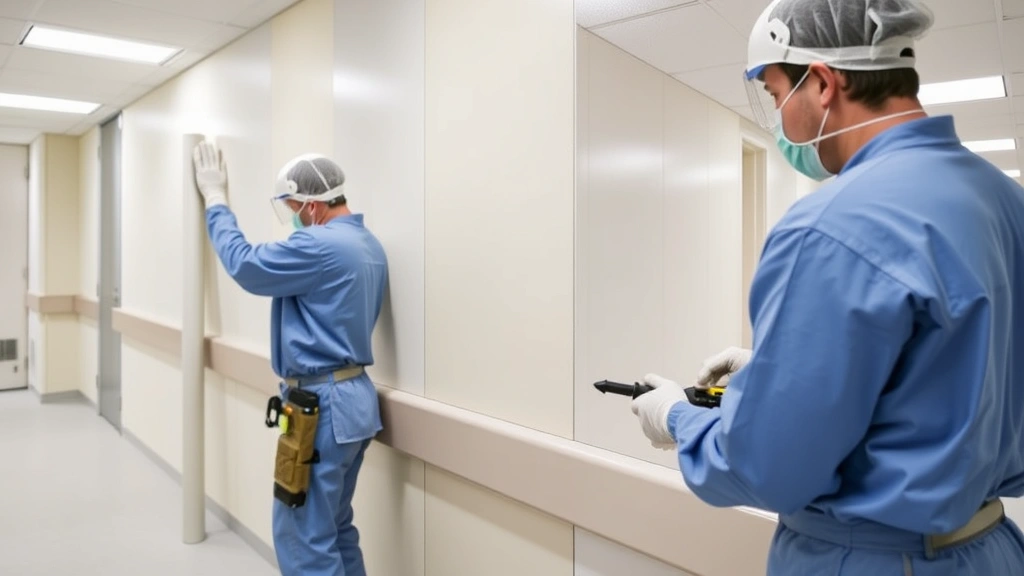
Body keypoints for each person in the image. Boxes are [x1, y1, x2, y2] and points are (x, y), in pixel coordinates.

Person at [629, 0, 1024, 574]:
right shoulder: (1005, 200)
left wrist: (675, 418)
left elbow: (766, 467)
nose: (779, 120)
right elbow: (952, 367)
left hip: (877, 559)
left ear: (820, 83)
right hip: (993, 549)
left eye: (773, 94)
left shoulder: (830, 225)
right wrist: (779, 368)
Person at [192, 142, 388, 576]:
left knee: (302, 537)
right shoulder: (367, 244)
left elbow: (244, 263)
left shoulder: (319, 246)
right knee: (335, 526)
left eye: (293, 208)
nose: (294, 219)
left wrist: (216, 201)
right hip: (354, 401)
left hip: (321, 407)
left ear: (313, 204)